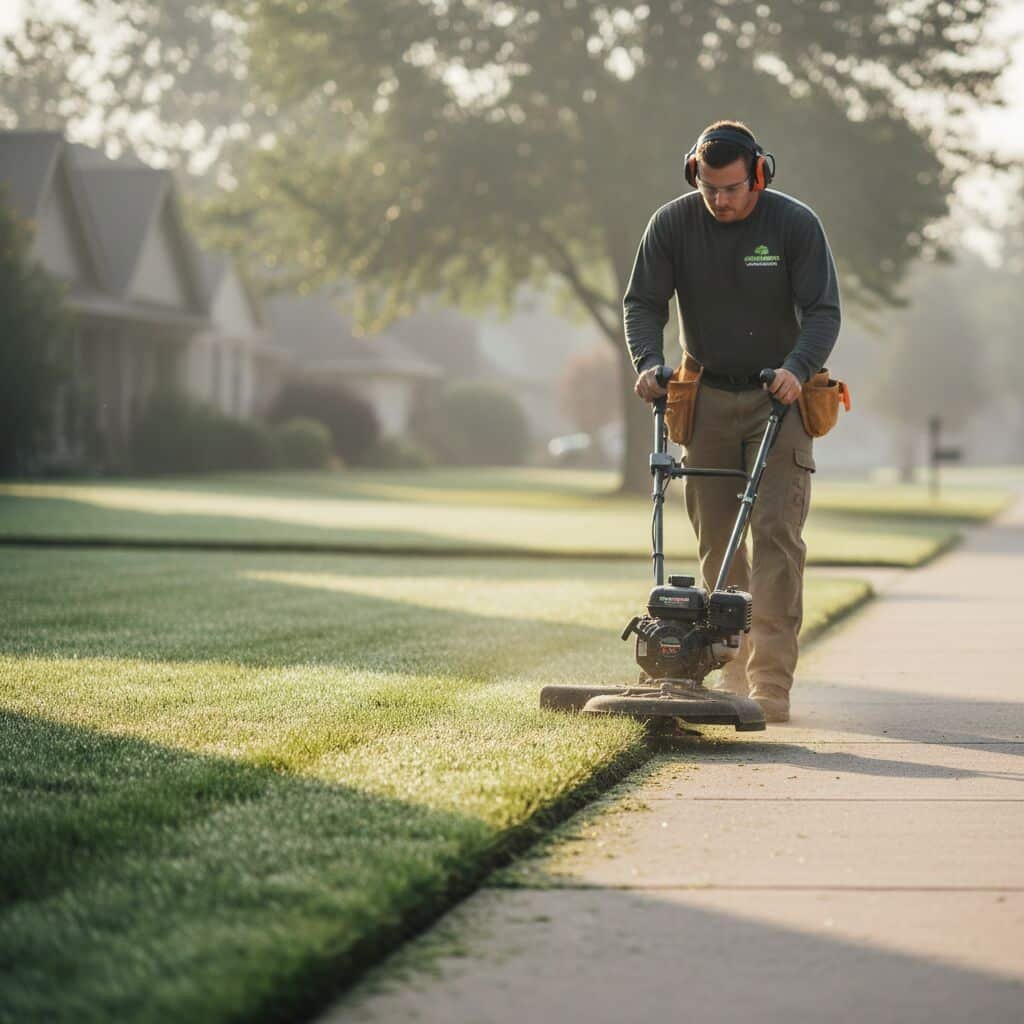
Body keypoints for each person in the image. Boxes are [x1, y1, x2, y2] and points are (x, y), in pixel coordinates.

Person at [623, 119, 841, 723]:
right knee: (719, 545)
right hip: (707, 395)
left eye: (732, 188)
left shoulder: (794, 224)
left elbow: (823, 310)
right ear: (694, 174)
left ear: (759, 176)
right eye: (708, 188)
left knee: (775, 536)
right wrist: (649, 363)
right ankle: (725, 673)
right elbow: (642, 302)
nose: (720, 200)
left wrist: (799, 367)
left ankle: (771, 685)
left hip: (782, 399)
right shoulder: (672, 224)